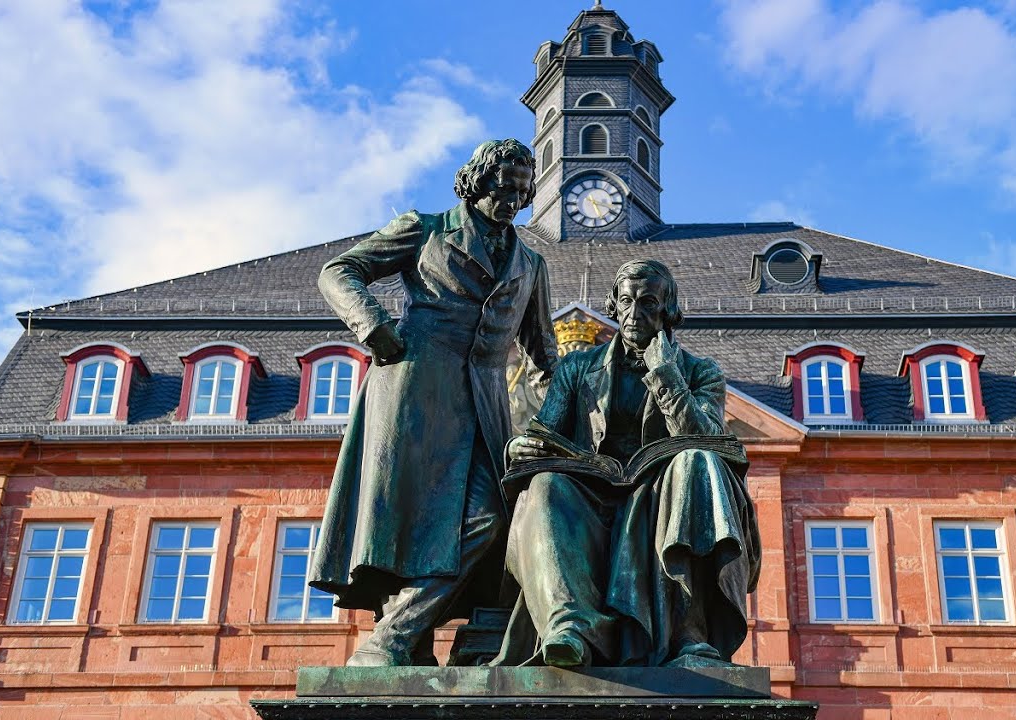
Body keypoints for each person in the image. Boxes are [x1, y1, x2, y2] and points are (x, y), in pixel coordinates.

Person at [309, 139, 558, 666]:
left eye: (520, 191)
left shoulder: (531, 263)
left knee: (488, 519)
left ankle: (392, 638)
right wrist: (372, 324)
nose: (511, 199)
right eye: (501, 186)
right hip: (414, 390)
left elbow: (544, 358)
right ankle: (409, 644)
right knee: (404, 521)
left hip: (488, 407)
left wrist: (561, 423)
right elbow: (339, 272)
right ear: (478, 181)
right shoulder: (423, 229)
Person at [495, 259, 760, 668]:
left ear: (667, 311)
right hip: (590, 494)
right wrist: (520, 448)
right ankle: (570, 627)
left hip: (663, 495)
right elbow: (544, 432)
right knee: (546, 485)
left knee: (694, 462)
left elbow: (706, 437)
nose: (635, 315)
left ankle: (689, 633)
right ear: (614, 306)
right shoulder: (577, 368)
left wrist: (666, 373)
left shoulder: (699, 371)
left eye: (648, 303)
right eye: (626, 302)